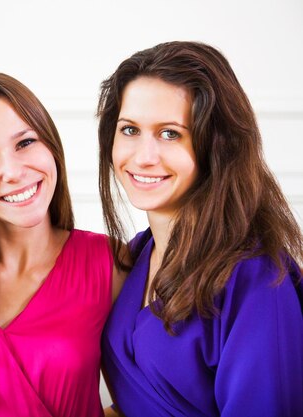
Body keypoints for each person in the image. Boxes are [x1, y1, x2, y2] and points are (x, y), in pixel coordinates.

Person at [97, 41, 303, 417]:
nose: (143, 156)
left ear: (216, 146)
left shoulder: (257, 280)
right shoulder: (136, 255)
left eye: (170, 133)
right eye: (130, 130)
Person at [0, 72, 122, 417]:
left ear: (51, 145)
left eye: (25, 143)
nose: (14, 172)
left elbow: (144, 399)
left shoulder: (110, 263)